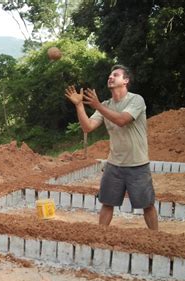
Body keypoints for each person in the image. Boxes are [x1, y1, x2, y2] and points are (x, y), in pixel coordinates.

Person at [65, 64, 158, 230]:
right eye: (110, 75)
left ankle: (156, 239)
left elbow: (122, 120)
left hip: (137, 164)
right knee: (107, 204)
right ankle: (101, 237)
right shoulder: (106, 104)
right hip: (114, 164)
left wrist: (98, 106)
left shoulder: (136, 100)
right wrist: (79, 106)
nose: (111, 77)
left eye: (116, 75)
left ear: (126, 81)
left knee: (147, 205)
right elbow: (88, 127)